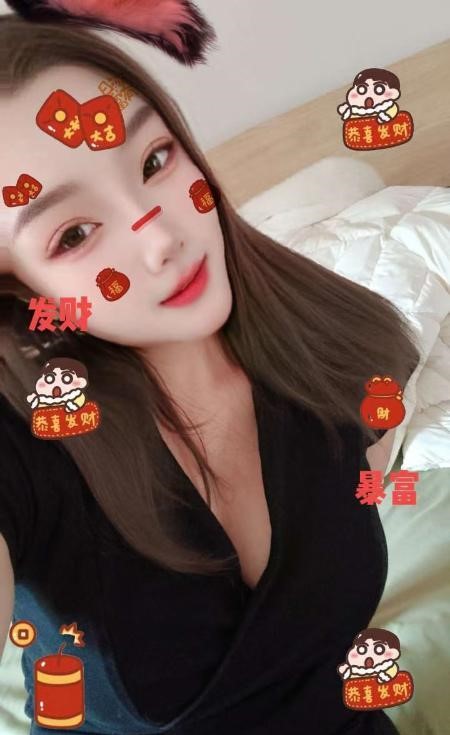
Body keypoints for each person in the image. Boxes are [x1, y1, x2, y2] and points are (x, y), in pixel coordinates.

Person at [0, 14, 420, 735]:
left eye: (154, 161)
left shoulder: (350, 352)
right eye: (74, 234)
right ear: (17, 289)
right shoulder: (31, 441)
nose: (161, 238)